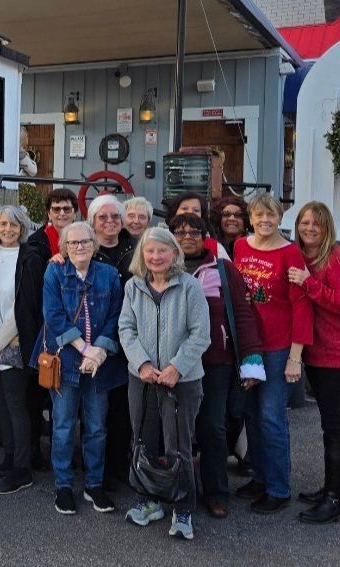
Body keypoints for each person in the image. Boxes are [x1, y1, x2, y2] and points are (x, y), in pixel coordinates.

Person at [170, 212, 263, 519]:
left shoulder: (223, 270)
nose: (187, 237)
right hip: (174, 364)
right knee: (175, 430)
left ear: (205, 236)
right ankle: (176, 488)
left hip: (215, 362)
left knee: (213, 426)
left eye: (194, 232)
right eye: (180, 232)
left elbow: (243, 313)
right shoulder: (162, 265)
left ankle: (216, 492)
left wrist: (250, 357)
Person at [119, 227, 210, 540]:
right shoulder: (133, 287)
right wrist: (142, 363)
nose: (155, 257)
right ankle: (148, 501)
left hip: (181, 381)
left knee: (178, 446)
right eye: (149, 251)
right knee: (143, 441)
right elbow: (126, 329)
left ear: (174, 254)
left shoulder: (189, 287)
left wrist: (176, 368)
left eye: (162, 250)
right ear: (142, 254)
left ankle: (183, 508)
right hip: (142, 379)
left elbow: (201, 334)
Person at [32, 221, 123, 516]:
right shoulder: (54, 272)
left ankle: (94, 484)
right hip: (67, 360)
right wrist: (85, 349)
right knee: (62, 426)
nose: (80, 247)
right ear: (64, 248)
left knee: (97, 427)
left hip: (100, 363)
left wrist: (99, 352)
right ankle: (64, 486)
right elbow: (53, 315)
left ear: (94, 244)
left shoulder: (109, 275)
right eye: (73, 243)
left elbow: (116, 315)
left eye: (85, 242)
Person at [289, 201, 340, 524]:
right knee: (331, 423)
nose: (309, 229)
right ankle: (335, 487)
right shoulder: (301, 258)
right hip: (319, 355)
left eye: (316, 224)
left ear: (327, 228)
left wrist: (309, 284)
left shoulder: (339, 261)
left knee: (334, 425)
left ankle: (338, 496)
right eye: (304, 223)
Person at [232, 193, 313, 514]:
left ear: (280, 219)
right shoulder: (241, 246)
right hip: (248, 345)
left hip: (278, 348)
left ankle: (278, 487)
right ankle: (260, 477)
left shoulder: (290, 254)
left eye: (271, 216)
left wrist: (296, 356)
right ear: (250, 218)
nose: (265, 221)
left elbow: (302, 306)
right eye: (259, 215)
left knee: (271, 417)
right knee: (251, 414)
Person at [0, 205, 44, 494]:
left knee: (17, 406)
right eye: (2, 223)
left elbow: (24, 307)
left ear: (22, 228)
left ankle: (22, 468)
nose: (7, 229)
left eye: (14, 224)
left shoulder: (30, 257)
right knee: (2, 405)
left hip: (13, 342)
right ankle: (8, 459)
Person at [85, 194, 134, 491]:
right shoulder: (85, 249)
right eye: (103, 217)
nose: (110, 222)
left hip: (129, 340)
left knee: (122, 411)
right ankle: (96, 470)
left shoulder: (134, 249)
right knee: (95, 413)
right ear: (93, 221)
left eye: (115, 216)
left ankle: (118, 467)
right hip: (97, 341)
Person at [167, 191, 228, 259]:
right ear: (174, 212)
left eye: (196, 210)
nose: (190, 212)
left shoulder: (214, 247)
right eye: (184, 209)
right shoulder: (161, 240)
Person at [27, 188, 78, 263]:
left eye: (67, 209)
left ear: (75, 214)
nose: (62, 213)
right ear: (49, 214)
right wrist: (49, 263)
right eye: (56, 209)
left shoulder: (86, 238)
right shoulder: (35, 242)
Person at [211, 195, 250, 259]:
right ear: (219, 219)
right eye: (226, 214)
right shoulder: (211, 246)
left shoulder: (255, 245)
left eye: (238, 215)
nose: (232, 219)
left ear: (246, 220)